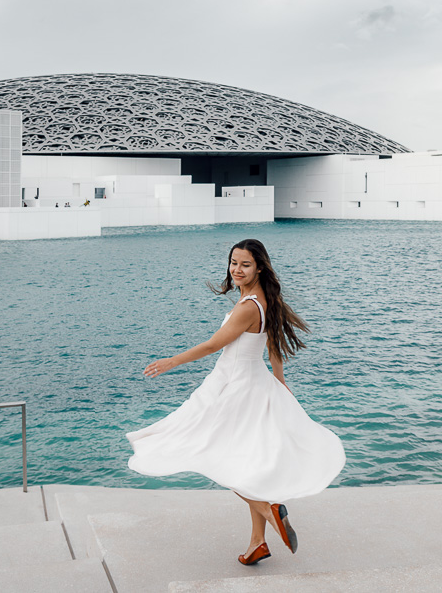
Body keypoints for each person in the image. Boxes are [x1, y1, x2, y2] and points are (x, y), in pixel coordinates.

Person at [126, 239, 345, 565]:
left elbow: (214, 345)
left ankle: (267, 510)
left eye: (244, 264)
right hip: (253, 383)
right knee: (246, 461)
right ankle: (258, 542)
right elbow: (273, 348)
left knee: (211, 453)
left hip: (233, 387)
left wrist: (172, 361)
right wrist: (281, 384)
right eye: (233, 263)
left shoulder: (247, 308)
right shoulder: (263, 301)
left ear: (259, 267)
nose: (237, 270)